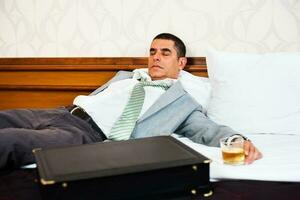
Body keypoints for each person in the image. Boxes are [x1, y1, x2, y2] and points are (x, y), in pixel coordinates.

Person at [0, 33, 262, 170]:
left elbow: (207, 129)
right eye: (152, 52)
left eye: (165, 53)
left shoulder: (181, 103)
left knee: (9, 140)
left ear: (180, 62)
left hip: (83, 133)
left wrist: (239, 140)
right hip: (62, 112)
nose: (155, 57)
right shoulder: (127, 76)